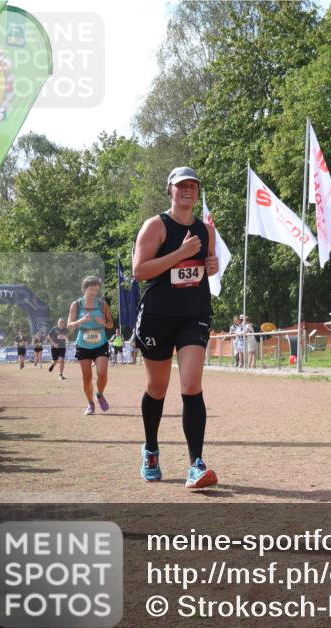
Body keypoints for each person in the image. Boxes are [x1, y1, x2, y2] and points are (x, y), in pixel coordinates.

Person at [133, 166, 220, 489]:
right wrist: (181, 253)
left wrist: (212, 265)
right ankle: (151, 449)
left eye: (193, 186)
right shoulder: (155, 226)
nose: (188, 190)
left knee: (191, 385)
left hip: (193, 313)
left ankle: (196, 464)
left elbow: (207, 265)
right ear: (170, 190)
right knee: (157, 387)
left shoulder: (205, 229)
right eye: (182, 185)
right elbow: (139, 271)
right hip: (158, 314)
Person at [68, 276, 114, 415]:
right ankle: (90, 404)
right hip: (83, 344)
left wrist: (103, 323)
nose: (94, 292)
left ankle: (99, 394)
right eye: (91, 289)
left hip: (100, 343)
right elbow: (69, 325)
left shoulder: (102, 304)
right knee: (87, 378)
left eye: (96, 289)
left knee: (102, 374)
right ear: (84, 288)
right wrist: (81, 321)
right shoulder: (76, 304)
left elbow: (111, 323)